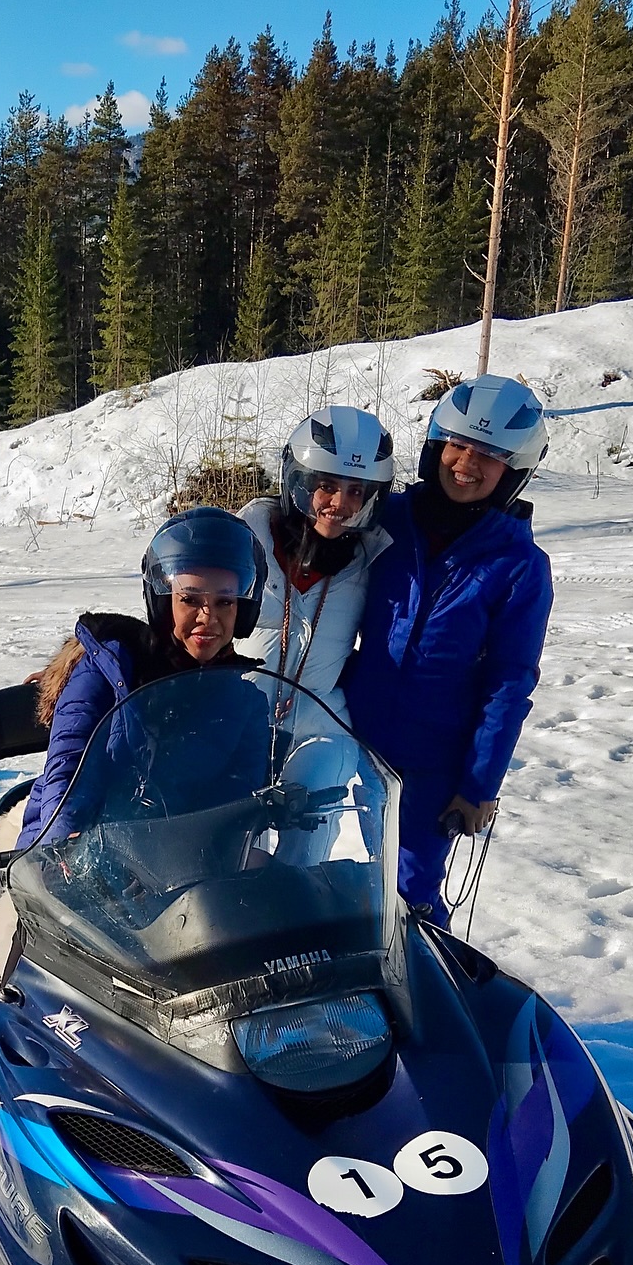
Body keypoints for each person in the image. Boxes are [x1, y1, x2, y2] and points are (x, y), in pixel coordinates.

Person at [341, 373, 552, 925]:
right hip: (350, 734)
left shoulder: (519, 567)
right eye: (458, 444)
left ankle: (424, 995)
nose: (467, 463)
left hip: (433, 759)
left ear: (515, 472)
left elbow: (510, 681)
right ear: (436, 446)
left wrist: (479, 785)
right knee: (358, 874)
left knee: (410, 890)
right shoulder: (388, 519)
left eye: (490, 455)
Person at [15, 506, 268, 851]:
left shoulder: (244, 701)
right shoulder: (112, 667)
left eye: (224, 602)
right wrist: (66, 836)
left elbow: (241, 795)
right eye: (190, 599)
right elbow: (68, 764)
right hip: (77, 859)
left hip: (181, 863)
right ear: (164, 602)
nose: (208, 617)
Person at [238, 405, 394, 780]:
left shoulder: (368, 565)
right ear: (298, 482)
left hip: (318, 724)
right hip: (236, 717)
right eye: (327, 486)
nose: (340, 503)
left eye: (356, 491)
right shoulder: (244, 545)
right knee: (231, 832)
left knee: (312, 828)